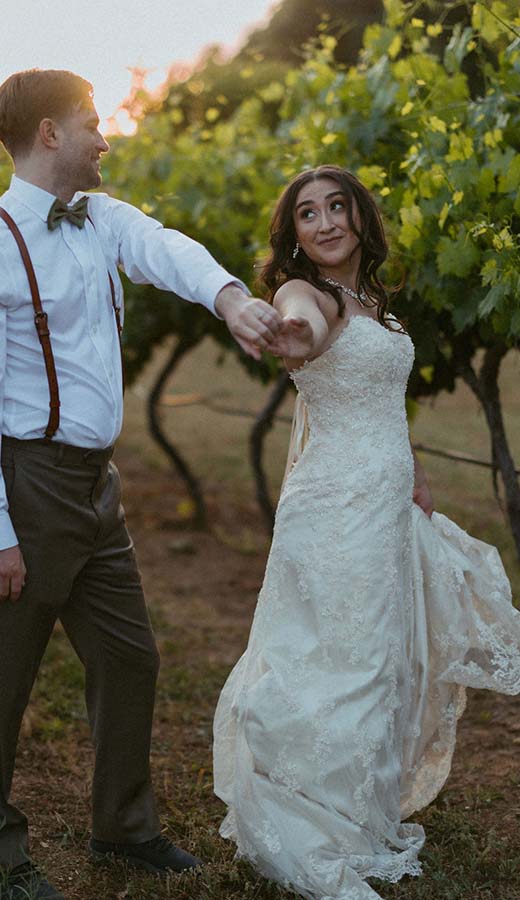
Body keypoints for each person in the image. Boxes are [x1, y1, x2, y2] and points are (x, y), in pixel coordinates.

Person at [0, 68, 283, 900]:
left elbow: (166, 249)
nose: (107, 137)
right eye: (92, 123)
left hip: (97, 487)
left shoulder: (101, 219)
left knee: (130, 659)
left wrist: (232, 299)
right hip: (27, 487)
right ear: (50, 135)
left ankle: (123, 829)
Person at [213, 165, 520, 900]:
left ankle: (357, 809)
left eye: (336, 207)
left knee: (378, 658)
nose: (324, 223)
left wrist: (413, 474)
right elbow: (304, 329)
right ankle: (312, 819)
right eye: (308, 214)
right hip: (334, 506)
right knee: (338, 660)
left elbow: (380, 399)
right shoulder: (309, 296)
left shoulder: (371, 300)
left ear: (359, 217)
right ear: (293, 233)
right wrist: (292, 333)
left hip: (384, 500)